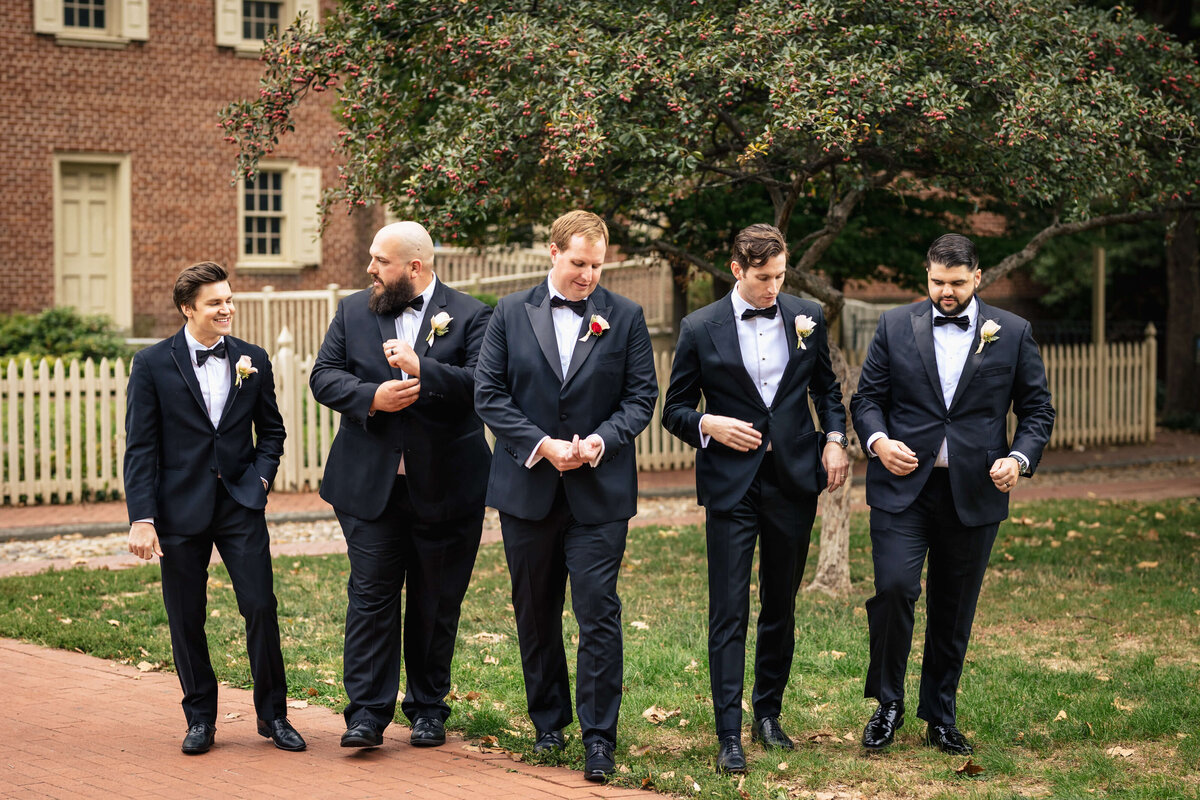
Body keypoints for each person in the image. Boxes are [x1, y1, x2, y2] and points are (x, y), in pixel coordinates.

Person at [851, 233, 1054, 755]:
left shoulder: (1011, 332)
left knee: (954, 606)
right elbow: (868, 398)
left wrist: (1019, 459)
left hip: (975, 491)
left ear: (978, 278)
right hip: (902, 489)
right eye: (938, 282)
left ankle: (941, 714)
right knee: (894, 589)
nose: (946, 292)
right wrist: (877, 442)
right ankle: (888, 704)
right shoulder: (894, 325)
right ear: (927, 276)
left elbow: (1037, 410)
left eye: (957, 284)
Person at [473, 210, 658, 781]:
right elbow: (489, 393)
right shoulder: (508, 312)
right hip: (527, 487)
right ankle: (548, 722)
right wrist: (541, 444)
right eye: (579, 263)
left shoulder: (624, 317)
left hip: (599, 493)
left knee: (598, 610)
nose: (588, 277)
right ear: (552, 252)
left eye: (598, 266)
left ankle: (599, 736)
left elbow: (641, 397)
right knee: (535, 610)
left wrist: (602, 439)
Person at [662, 224, 849, 773]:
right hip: (730, 484)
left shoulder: (806, 315)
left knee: (781, 603)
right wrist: (709, 423)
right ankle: (729, 733)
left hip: (793, 480)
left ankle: (768, 712)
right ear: (737, 270)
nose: (774, 288)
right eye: (764, 278)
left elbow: (827, 389)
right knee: (728, 608)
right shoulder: (700, 326)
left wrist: (835, 441)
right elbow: (674, 409)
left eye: (781, 276)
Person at [309, 221, 492, 750]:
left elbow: (485, 386)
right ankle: (366, 713)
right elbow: (324, 376)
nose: (370, 269)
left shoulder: (474, 315)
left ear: (414, 268)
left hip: (448, 488)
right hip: (370, 487)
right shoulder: (352, 310)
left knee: (437, 602)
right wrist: (371, 396)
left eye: (380, 261)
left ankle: (428, 708)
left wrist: (426, 370)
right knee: (370, 597)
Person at [125, 261, 305, 755]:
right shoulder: (153, 363)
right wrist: (142, 517)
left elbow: (272, 432)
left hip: (240, 503)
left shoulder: (254, 358)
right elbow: (140, 447)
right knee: (186, 615)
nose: (226, 308)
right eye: (215, 302)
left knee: (261, 607)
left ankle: (274, 716)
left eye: (229, 299)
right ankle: (200, 718)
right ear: (188, 308)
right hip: (177, 508)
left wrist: (262, 479)